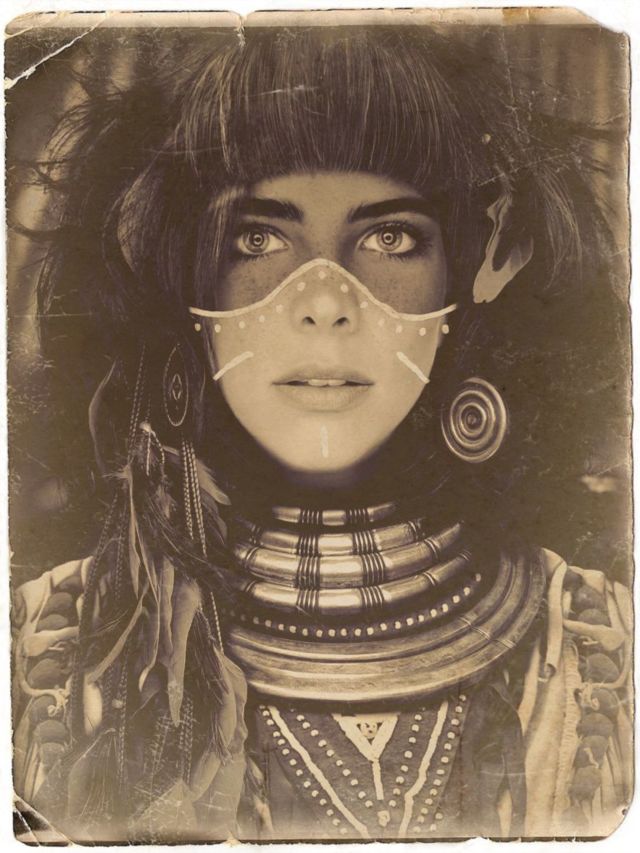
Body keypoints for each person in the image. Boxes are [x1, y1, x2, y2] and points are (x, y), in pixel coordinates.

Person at [10, 21, 632, 844]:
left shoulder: (598, 645)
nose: (326, 301)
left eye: (390, 237)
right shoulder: (46, 649)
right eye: (257, 237)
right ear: (181, 279)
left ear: (469, 274)